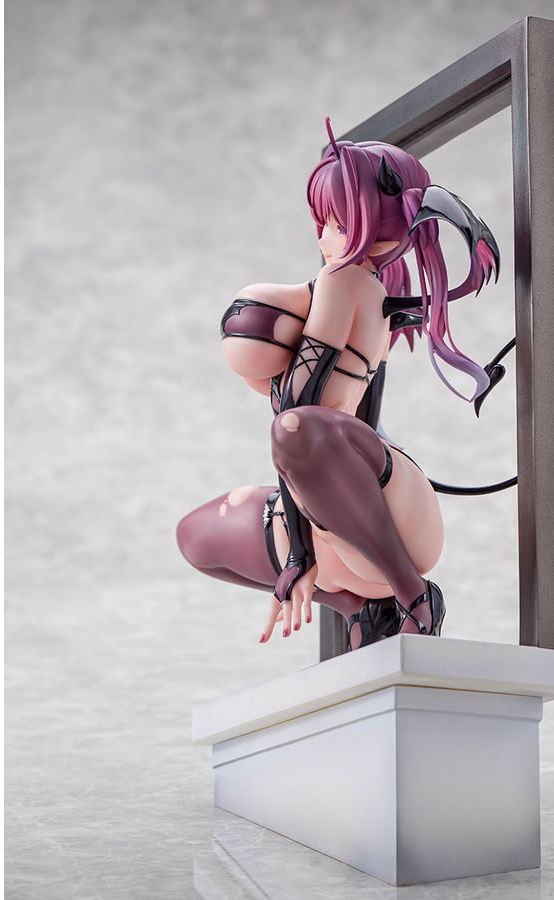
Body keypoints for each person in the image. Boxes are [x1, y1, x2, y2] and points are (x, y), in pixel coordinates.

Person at [177, 117, 499, 653]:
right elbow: (354, 419)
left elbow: (298, 413)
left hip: (380, 524)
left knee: (293, 428)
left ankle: (415, 599)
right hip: (342, 525)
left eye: (336, 221)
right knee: (195, 537)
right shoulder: (374, 297)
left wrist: (299, 556)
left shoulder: (341, 278)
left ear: (380, 220)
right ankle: (360, 608)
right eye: (321, 221)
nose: (324, 236)